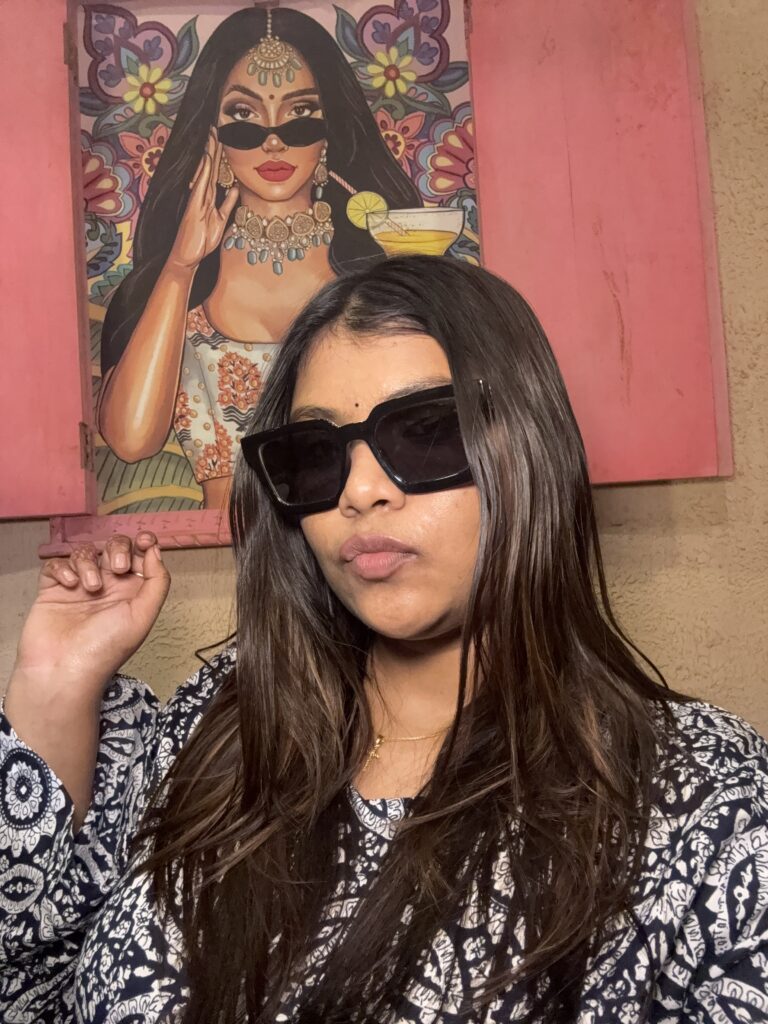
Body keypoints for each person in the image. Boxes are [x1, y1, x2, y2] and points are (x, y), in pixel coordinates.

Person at [3, 256, 767, 1023]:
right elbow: (34, 987)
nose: (360, 490)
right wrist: (55, 684)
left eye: (427, 433)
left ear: (529, 445)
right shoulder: (212, 730)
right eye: (316, 453)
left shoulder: (703, 801)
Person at [97, 6, 420, 510]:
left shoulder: (376, 266)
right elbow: (130, 440)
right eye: (244, 117)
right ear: (211, 131)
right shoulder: (175, 277)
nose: (273, 140)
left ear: (329, 130)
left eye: (300, 115)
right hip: (218, 549)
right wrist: (181, 266)